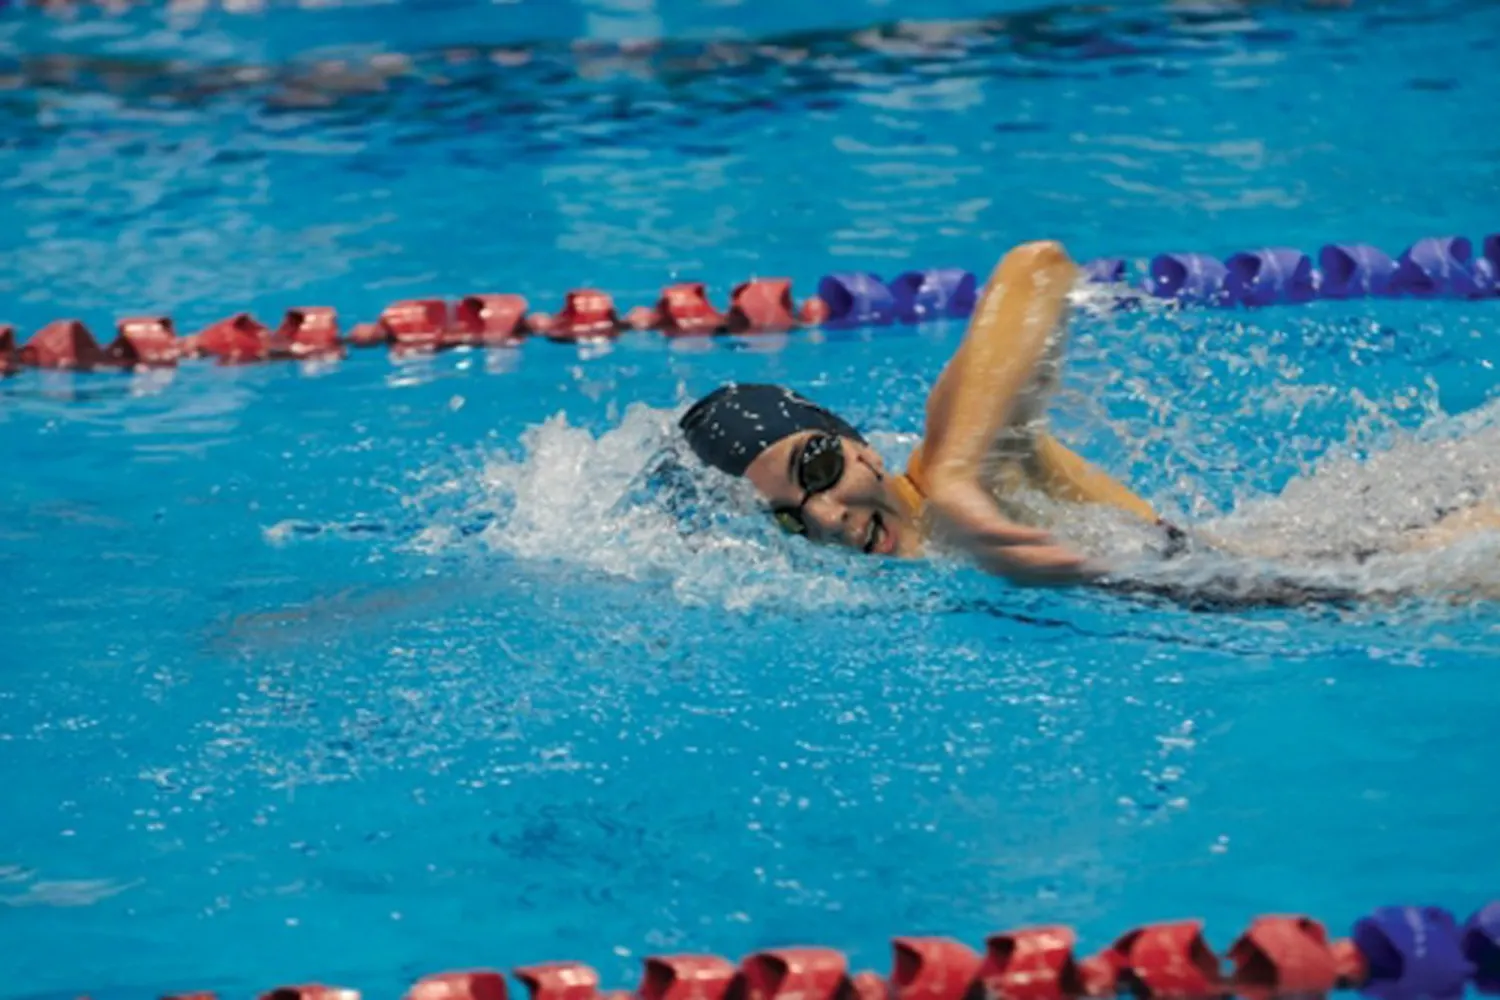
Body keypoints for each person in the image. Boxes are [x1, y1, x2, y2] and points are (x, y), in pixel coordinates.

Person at [677, 240, 1176, 587]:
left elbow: (1038, 265)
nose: (827, 518)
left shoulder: (964, 468)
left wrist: (956, 475)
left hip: (1222, 578)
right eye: (789, 520)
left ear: (861, 448)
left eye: (819, 468)